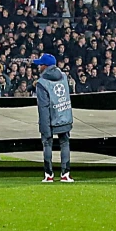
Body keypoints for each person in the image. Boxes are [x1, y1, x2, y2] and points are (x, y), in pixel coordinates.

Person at [33, 53, 74, 183]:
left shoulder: (41, 83)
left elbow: (43, 107)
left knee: (47, 144)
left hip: (50, 118)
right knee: (65, 143)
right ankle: (65, 174)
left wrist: (44, 127)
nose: (39, 67)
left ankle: (49, 175)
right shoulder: (63, 76)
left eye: (40, 64)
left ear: (45, 66)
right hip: (65, 115)